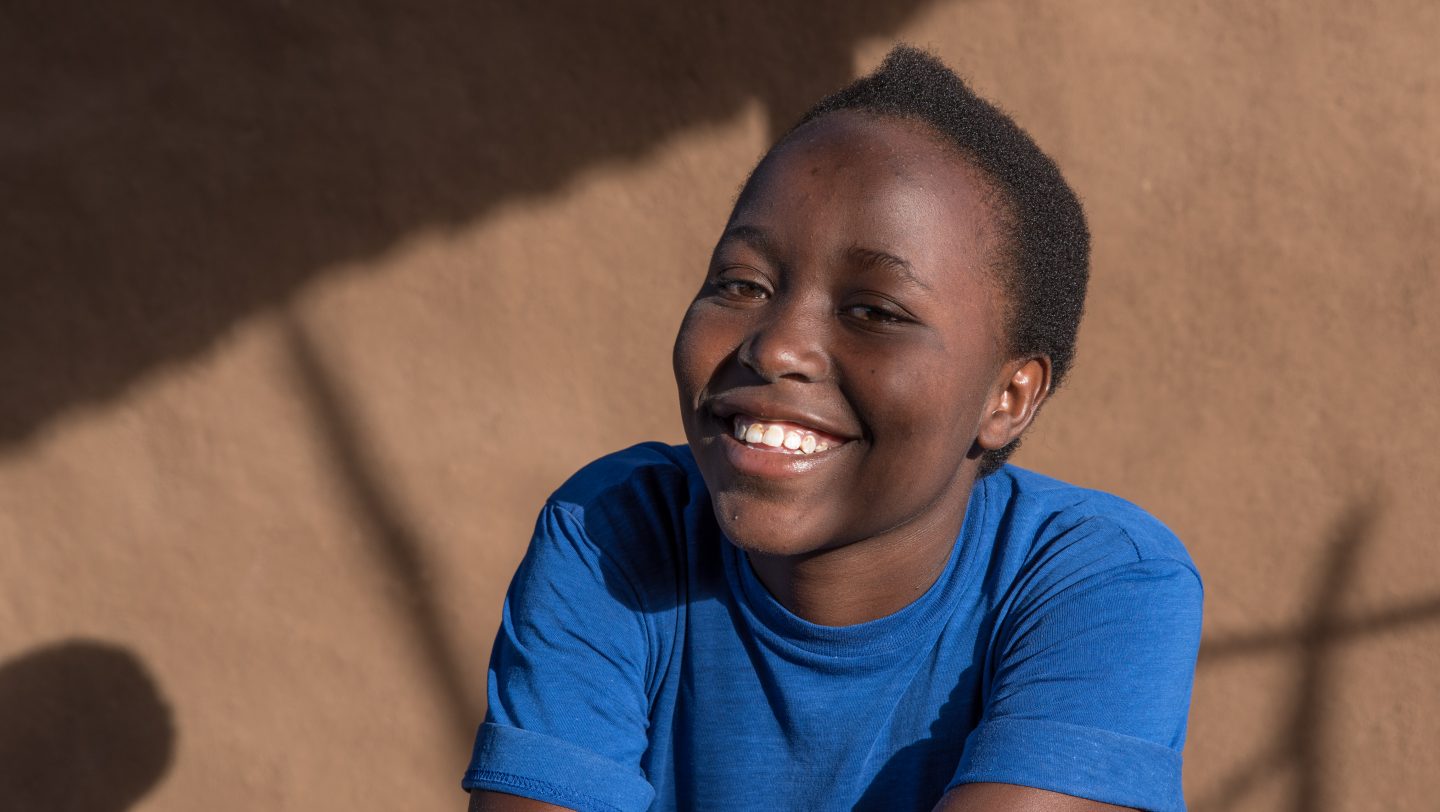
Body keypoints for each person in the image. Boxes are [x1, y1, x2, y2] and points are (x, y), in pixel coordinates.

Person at [463, 45, 1202, 812]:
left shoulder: (1097, 580)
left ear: (1009, 396)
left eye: (874, 312)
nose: (775, 346)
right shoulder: (618, 534)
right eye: (741, 285)